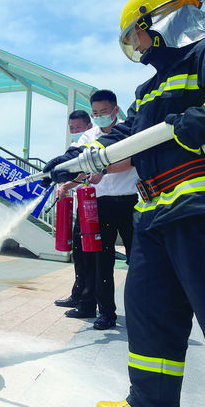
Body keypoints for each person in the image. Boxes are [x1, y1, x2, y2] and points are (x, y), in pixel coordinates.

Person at [44, 0, 205, 407]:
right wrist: (74, 158)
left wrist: (202, 120)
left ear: (154, 22)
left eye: (134, 35)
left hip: (201, 205)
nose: (136, 46)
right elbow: (126, 135)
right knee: (148, 313)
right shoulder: (151, 89)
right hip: (153, 214)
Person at [74, 89, 138, 330]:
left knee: (138, 260)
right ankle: (106, 313)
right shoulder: (88, 136)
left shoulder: (129, 130)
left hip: (131, 201)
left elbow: (133, 160)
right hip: (101, 205)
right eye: (95, 113)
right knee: (103, 260)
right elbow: (79, 164)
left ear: (115, 110)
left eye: (104, 112)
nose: (100, 116)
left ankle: (139, 311)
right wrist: (67, 178)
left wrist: (104, 170)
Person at [53, 110, 95, 318]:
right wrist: (65, 186)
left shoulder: (98, 140)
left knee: (92, 255)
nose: (74, 131)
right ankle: (78, 294)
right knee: (79, 250)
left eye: (78, 128)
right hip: (84, 203)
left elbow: (86, 172)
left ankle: (91, 301)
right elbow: (80, 173)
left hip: (100, 204)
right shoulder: (75, 147)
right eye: (71, 128)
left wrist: (67, 185)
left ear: (88, 126)